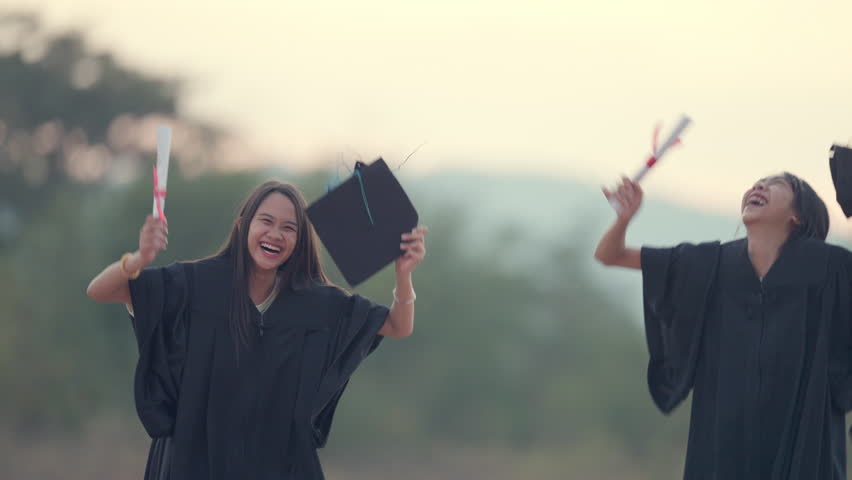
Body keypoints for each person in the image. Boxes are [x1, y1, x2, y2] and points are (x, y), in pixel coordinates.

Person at [86, 180, 428, 479]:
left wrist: (403, 275)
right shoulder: (195, 285)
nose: (275, 234)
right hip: (193, 464)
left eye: (289, 228)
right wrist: (139, 259)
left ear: (301, 240)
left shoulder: (316, 304)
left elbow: (398, 325)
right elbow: (100, 291)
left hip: (277, 467)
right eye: (266, 221)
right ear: (242, 226)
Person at [594, 173, 852, 479]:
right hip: (725, 434)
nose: (759, 186)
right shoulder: (709, 264)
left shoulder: (831, 267)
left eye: (775, 184)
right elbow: (609, 255)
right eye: (757, 182)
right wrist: (624, 218)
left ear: (797, 216)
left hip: (803, 430)